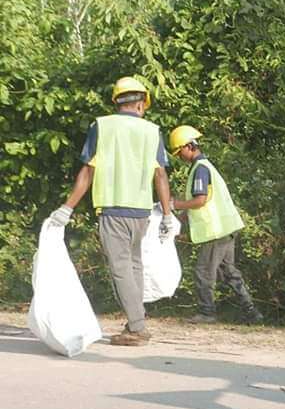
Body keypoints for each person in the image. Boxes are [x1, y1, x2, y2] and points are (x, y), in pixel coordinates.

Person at [45, 76, 176, 347]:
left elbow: (88, 172)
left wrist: (67, 208)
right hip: (141, 213)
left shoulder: (101, 126)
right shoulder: (152, 131)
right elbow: (160, 175)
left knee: (121, 269)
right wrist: (166, 214)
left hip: (113, 208)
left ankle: (137, 328)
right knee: (134, 265)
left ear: (117, 101)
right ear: (141, 103)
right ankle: (136, 322)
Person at [167, 125, 262, 324]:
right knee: (229, 273)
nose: (179, 156)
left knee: (203, 271)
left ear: (189, 146)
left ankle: (207, 313)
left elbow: (200, 200)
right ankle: (252, 313)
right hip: (226, 228)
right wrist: (181, 217)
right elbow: (202, 201)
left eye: (179, 151)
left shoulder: (200, 169)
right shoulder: (205, 166)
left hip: (215, 230)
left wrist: (175, 204)